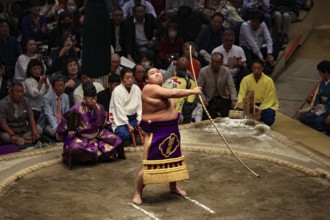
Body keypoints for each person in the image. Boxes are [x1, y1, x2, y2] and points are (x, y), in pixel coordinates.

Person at [132, 67, 202, 205]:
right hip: (156, 131)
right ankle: (138, 192)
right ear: (146, 80)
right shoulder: (149, 89)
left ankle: (173, 186)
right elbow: (173, 93)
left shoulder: (162, 89)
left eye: (158, 71)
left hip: (171, 129)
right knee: (149, 165)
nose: (157, 73)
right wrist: (193, 91)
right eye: (152, 73)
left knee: (173, 159)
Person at [58, 83, 123, 167]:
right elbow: (66, 121)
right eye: (91, 99)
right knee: (74, 148)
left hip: (98, 135)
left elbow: (105, 123)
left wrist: (107, 131)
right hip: (82, 138)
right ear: (84, 98)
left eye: (95, 98)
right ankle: (92, 156)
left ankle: (96, 155)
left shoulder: (100, 107)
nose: (94, 101)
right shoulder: (76, 108)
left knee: (117, 140)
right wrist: (61, 131)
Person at [237, 59, 279, 126]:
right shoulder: (246, 79)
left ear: (262, 68)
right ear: (252, 68)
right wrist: (241, 105)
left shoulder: (269, 81)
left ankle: (264, 125)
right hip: (250, 104)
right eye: (254, 68)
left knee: (269, 114)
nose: (256, 71)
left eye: (258, 68)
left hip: (264, 105)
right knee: (238, 113)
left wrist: (259, 109)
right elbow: (242, 94)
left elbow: (270, 98)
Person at [0, 82, 42, 147]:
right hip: (11, 131)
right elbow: (2, 123)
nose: (20, 94)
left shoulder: (26, 100)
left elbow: (31, 117)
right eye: (17, 92)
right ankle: (29, 141)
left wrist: (34, 132)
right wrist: (12, 135)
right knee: (5, 137)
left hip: (24, 130)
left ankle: (22, 141)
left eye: (22, 92)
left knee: (39, 130)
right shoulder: (3, 103)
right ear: (11, 92)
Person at [198, 52, 237, 118]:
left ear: (221, 62)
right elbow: (198, 88)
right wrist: (203, 99)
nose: (214, 64)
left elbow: (231, 87)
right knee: (209, 115)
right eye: (212, 61)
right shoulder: (203, 71)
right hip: (208, 99)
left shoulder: (226, 71)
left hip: (222, 98)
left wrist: (234, 99)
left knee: (228, 113)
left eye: (217, 62)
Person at [109, 68, 142, 143]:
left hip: (134, 118)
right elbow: (118, 110)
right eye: (127, 78)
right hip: (121, 120)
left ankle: (135, 134)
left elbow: (140, 106)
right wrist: (127, 125)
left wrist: (139, 119)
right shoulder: (117, 91)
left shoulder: (136, 88)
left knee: (149, 125)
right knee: (123, 134)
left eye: (131, 77)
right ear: (121, 79)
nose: (130, 80)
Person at [163, 57, 197, 124]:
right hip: (174, 116)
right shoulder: (190, 83)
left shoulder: (168, 80)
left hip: (161, 113)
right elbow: (188, 108)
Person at [300, 60, 330, 132]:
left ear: (325, 72)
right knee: (305, 117)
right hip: (321, 109)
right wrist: (315, 108)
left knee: (319, 120)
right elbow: (318, 97)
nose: (319, 74)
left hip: (328, 110)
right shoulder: (322, 83)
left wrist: (325, 107)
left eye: (320, 72)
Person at [37, 76, 70, 141]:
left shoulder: (66, 96)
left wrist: (66, 126)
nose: (61, 88)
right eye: (58, 86)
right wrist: (57, 129)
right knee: (54, 132)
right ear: (53, 87)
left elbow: (67, 114)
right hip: (47, 123)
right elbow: (49, 115)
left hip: (62, 123)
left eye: (62, 85)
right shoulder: (46, 98)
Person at [0, 18, 22, 83]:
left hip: (14, 68)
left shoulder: (14, 40)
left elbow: (20, 55)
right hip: (2, 69)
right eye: (2, 27)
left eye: (6, 26)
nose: (5, 29)